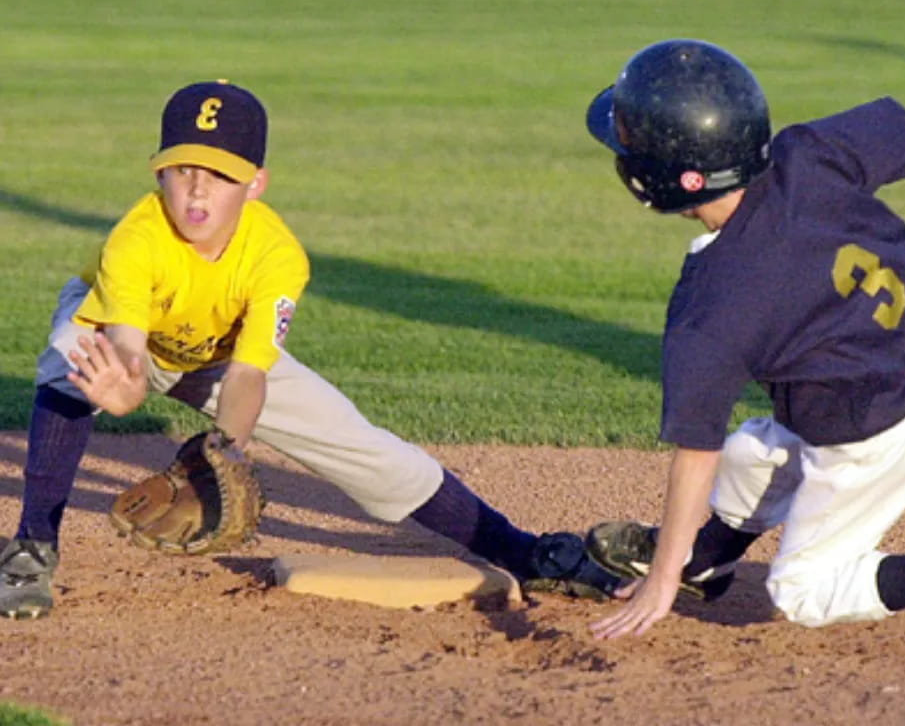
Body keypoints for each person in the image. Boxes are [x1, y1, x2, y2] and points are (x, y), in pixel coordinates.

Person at [0, 79, 620, 619]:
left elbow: (248, 373)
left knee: (364, 446)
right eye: (183, 170)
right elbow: (128, 354)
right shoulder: (136, 240)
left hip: (218, 354)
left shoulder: (278, 255)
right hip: (120, 330)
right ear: (157, 172)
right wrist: (126, 390)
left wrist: (226, 450)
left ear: (256, 183)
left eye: (220, 175)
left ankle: (523, 551)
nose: (197, 192)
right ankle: (32, 546)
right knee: (71, 360)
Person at [582, 39, 905, 638]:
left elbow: (696, 455)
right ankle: (706, 559)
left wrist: (662, 578)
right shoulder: (805, 154)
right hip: (894, 363)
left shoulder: (712, 305)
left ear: (656, 179)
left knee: (803, 592)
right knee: (751, 455)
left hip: (880, 426)